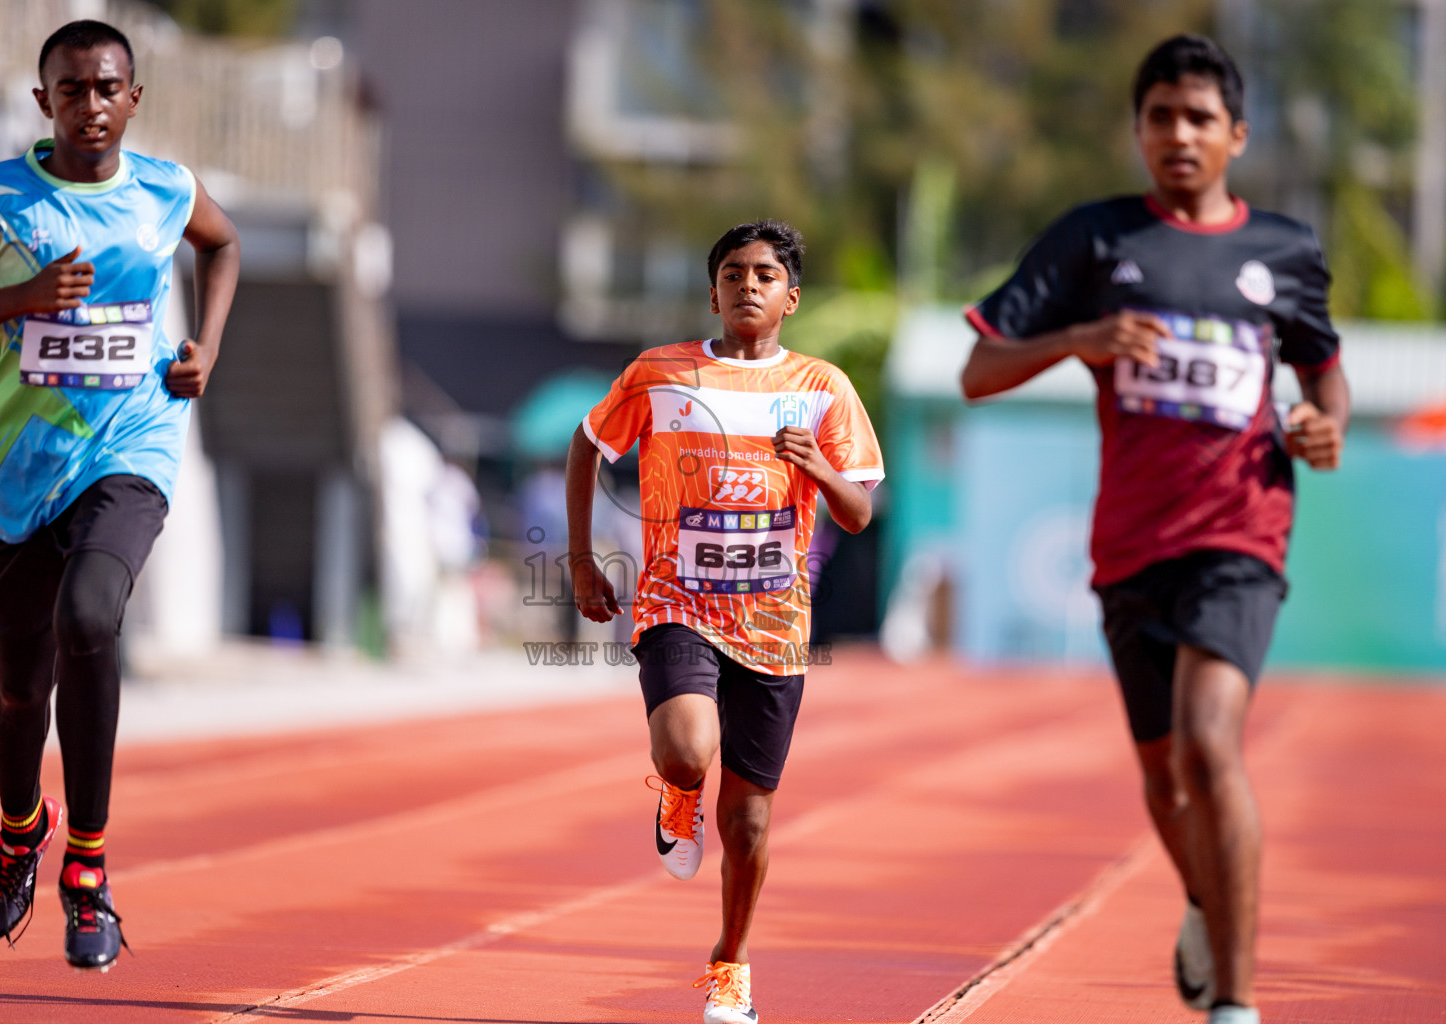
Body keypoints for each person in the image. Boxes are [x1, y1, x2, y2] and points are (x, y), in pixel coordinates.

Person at [960, 35, 1347, 1024]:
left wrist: (1324, 422)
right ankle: (1204, 895)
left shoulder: (1285, 252)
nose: (1179, 133)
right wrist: (1081, 339)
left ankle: (1237, 1001)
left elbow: (1320, 367)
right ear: (1138, 130)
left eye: (1200, 118)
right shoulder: (1095, 240)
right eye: (1161, 116)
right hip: (1131, 545)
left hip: (1241, 535)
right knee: (1166, 780)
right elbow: (979, 372)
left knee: (1213, 746)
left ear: (1236, 135)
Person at [0, 20, 239, 971]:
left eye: (106, 88)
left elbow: (223, 246)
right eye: (70, 90)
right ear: (41, 101)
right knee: (20, 683)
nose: (89, 106)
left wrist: (205, 346)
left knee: (92, 617)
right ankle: (22, 829)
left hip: (130, 445)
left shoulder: (167, 192)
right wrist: (21, 299)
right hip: (15, 471)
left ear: (133, 98)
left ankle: (87, 871)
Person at [566, 220, 883, 1024]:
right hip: (678, 604)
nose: (749, 284)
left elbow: (857, 513)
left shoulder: (824, 387)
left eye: (766, 275)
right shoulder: (660, 373)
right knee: (685, 751)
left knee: (747, 824)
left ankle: (730, 964)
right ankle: (678, 793)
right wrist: (577, 560)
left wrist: (815, 465)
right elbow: (587, 445)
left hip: (775, 625)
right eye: (733, 273)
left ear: (791, 298)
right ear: (712, 291)